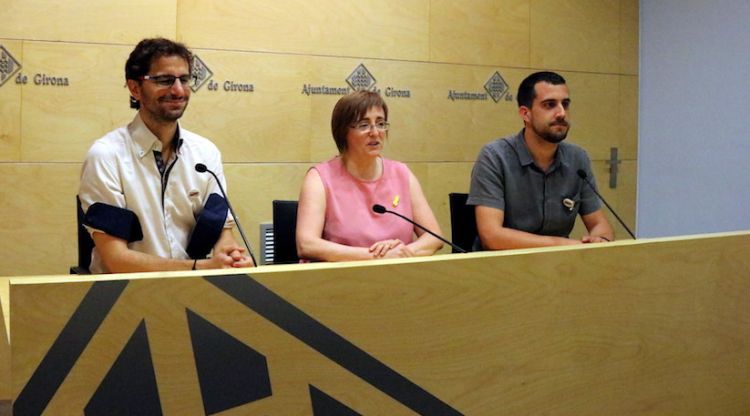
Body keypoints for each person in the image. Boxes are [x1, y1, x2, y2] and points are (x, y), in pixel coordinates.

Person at [78, 38, 254, 273]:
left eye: (184, 79)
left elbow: (223, 234)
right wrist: (200, 267)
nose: (178, 90)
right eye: (164, 80)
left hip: (193, 290)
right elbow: (116, 260)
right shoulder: (106, 155)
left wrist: (231, 258)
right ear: (135, 88)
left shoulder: (205, 153)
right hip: (123, 297)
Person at [468, 71, 614, 250]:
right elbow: (492, 236)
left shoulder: (578, 159)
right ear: (525, 114)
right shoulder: (495, 156)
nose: (561, 113)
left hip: (558, 268)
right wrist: (563, 244)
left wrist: (599, 240)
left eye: (565, 104)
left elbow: (600, 224)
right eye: (550, 105)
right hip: (502, 268)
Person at [296, 90, 443, 261]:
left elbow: (434, 237)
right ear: (343, 132)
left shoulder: (401, 173)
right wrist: (376, 257)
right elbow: (307, 244)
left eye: (380, 123)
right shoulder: (320, 178)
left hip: (398, 280)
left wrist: (403, 253)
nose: (375, 132)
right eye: (364, 125)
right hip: (339, 281)